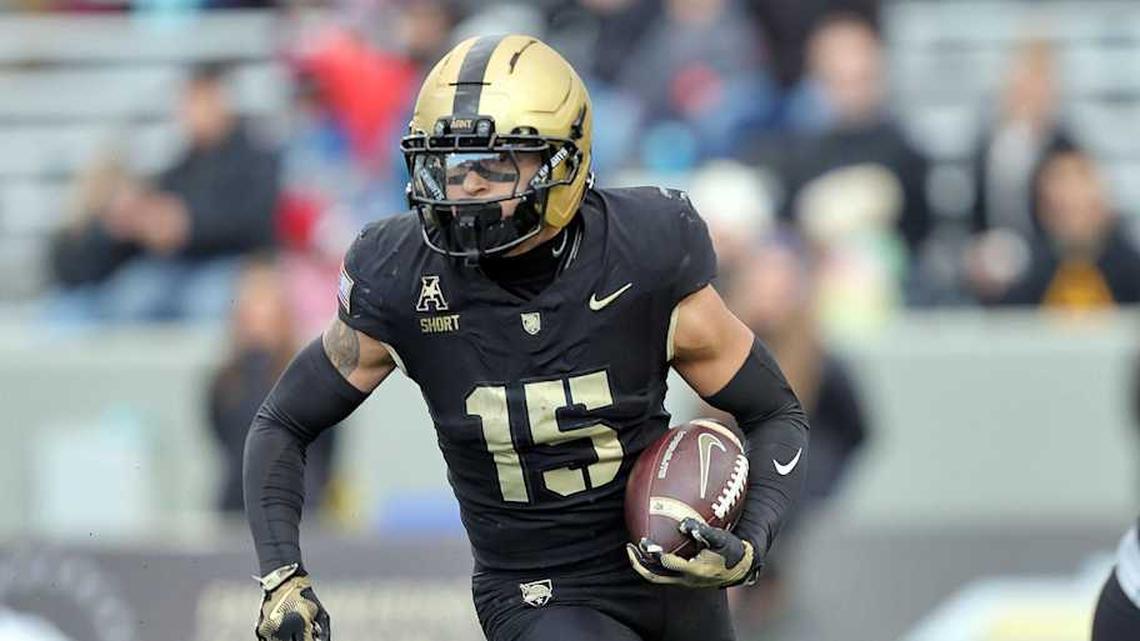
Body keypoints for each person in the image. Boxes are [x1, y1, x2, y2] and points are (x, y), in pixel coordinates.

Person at [244, 35, 809, 641]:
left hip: (671, 578)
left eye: (494, 165)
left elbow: (775, 411)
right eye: (450, 166)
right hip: (535, 591)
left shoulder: (645, 251)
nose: (466, 189)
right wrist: (282, 575)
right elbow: (283, 422)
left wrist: (750, 543)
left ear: (562, 162)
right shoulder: (401, 274)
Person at [999, 142, 1140, 308]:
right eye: (1059, 181)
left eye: (1080, 179)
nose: (1072, 195)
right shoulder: (1023, 276)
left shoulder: (1131, 270)